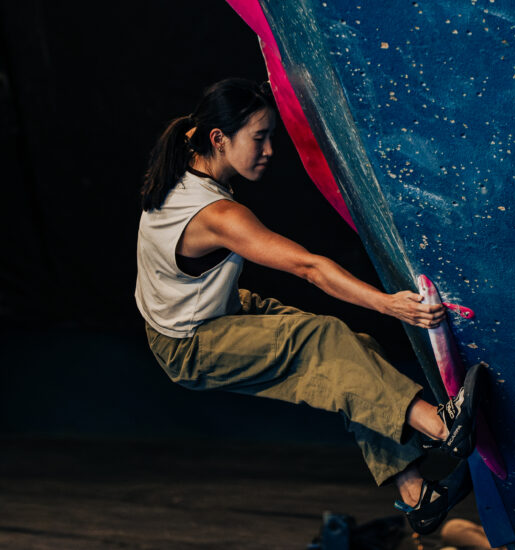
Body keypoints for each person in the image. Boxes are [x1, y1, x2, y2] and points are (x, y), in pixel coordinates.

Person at [135, 77, 485, 534]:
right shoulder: (218, 217)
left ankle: (416, 493)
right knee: (322, 340)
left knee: (353, 351)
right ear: (219, 139)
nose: (269, 150)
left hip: (199, 309)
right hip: (189, 341)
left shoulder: (190, 144)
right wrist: (389, 305)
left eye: (270, 136)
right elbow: (309, 268)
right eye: (259, 138)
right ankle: (445, 429)